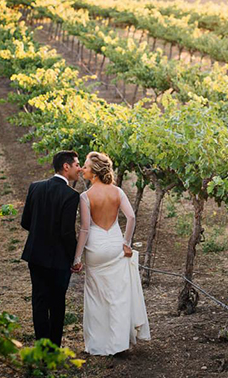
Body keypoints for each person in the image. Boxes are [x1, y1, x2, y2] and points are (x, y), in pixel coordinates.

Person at [72, 151, 150, 355]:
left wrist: (77, 257)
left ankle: (99, 344)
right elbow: (131, 217)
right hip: (116, 246)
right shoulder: (117, 192)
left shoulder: (85, 196)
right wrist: (126, 242)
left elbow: (85, 229)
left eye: (86, 167)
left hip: (96, 249)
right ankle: (119, 343)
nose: (83, 170)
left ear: (95, 172)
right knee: (118, 296)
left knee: (97, 297)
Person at [20, 150, 83, 347]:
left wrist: (41, 234)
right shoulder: (71, 196)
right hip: (58, 259)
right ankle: (53, 350)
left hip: (35, 255)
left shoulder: (35, 187)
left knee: (39, 301)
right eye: (77, 165)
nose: (79, 168)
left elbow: (25, 222)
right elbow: (67, 233)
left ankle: (41, 348)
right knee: (57, 304)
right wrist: (75, 258)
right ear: (66, 167)